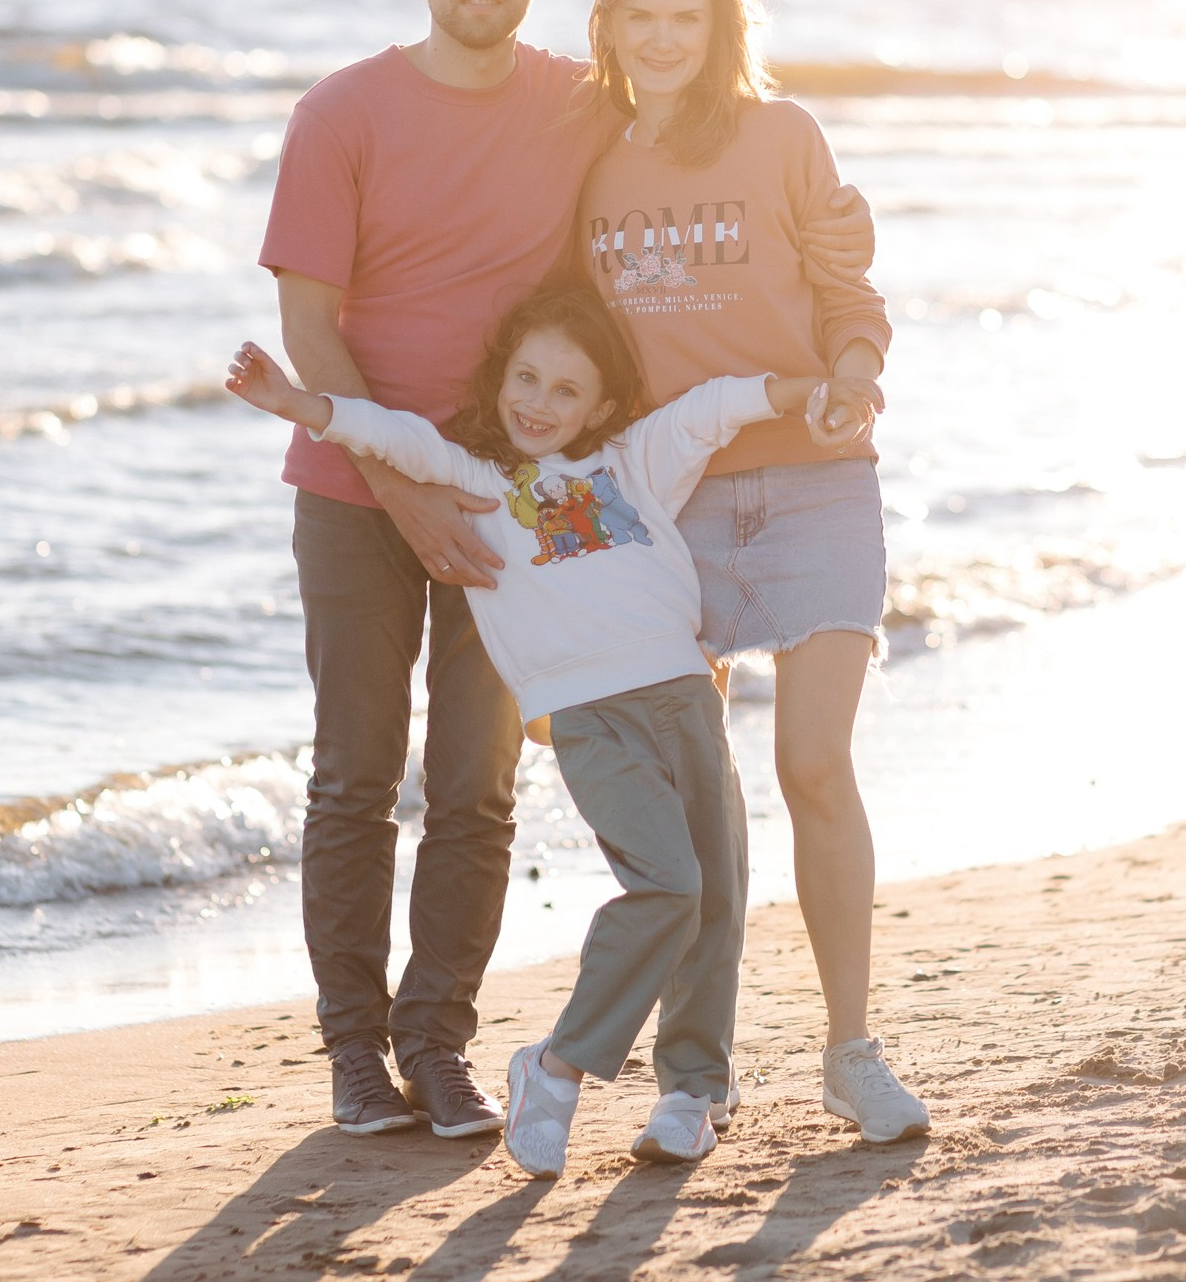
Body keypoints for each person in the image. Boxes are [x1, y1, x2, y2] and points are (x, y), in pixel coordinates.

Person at [255, 0, 876, 1139]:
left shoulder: (581, 105)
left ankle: (439, 1045)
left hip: (526, 507)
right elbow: (309, 327)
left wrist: (835, 283)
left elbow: (707, 138)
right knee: (356, 776)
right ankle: (355, 1057)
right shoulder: (340, 111)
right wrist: (400, 489)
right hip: (361, 494)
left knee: (479, 787)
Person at [225, 287, 830, 1175]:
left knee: (719, 897)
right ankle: (553, 1070)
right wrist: (297, 405)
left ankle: (692, 1088)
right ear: (501, 379)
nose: (539, 404)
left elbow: (712, 409)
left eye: (565, 391)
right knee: (667, 887)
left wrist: (801, 389)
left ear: (604, 407)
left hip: (685, 699)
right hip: (590, 719)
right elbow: (390, 435)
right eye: (527, 379)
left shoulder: (635, 462)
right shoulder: (482, 482)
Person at [571, 0, 931, 1143]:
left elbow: (849, 292)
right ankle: (698, 1073)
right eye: (644, 16)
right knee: (694, 800)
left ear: (721, 26)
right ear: (609, 22)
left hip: (817, 479)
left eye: (691, 17)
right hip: (667, 502)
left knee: (813, 762)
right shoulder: (588, 161)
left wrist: (857, 363)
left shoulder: (782, 136)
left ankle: (850, 1048)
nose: (665, 39)